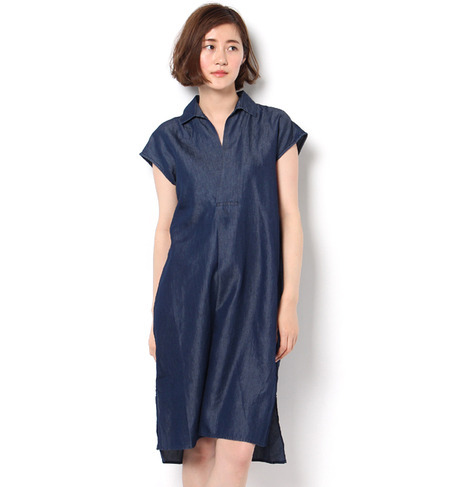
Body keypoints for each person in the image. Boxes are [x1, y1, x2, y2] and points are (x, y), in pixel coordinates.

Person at [139, 3, 308, 487]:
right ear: (191, 54)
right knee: (198, 449)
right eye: (210, 46)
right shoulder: (169, 139)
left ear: (244, 57)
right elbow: (165, 231)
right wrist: (156, 316)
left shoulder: (274, 128)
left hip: (253, 303)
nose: (221, 57)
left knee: (236, 451)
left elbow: (291, 217)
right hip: (184, 305)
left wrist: (288, 304)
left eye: (232, 47)